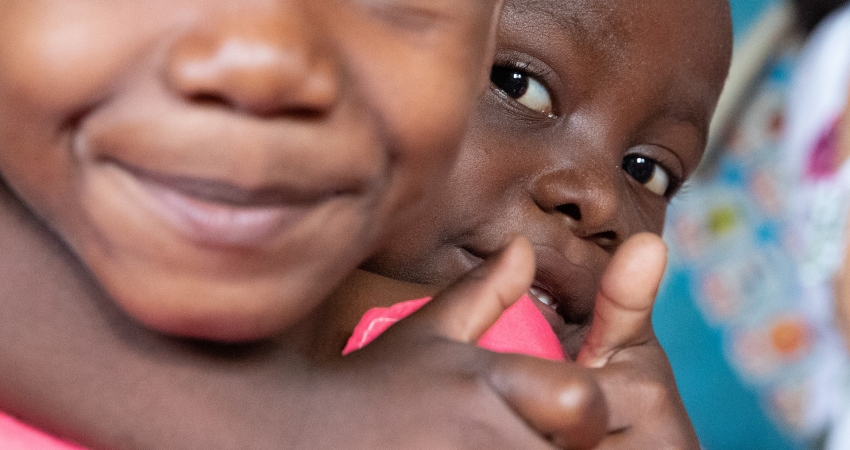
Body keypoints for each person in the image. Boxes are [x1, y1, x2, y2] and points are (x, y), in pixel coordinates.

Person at [0, 0, 732, 448]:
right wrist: (285, 422)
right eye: (518, 87)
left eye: (651, 170)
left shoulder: (504, 375)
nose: (598, 200)